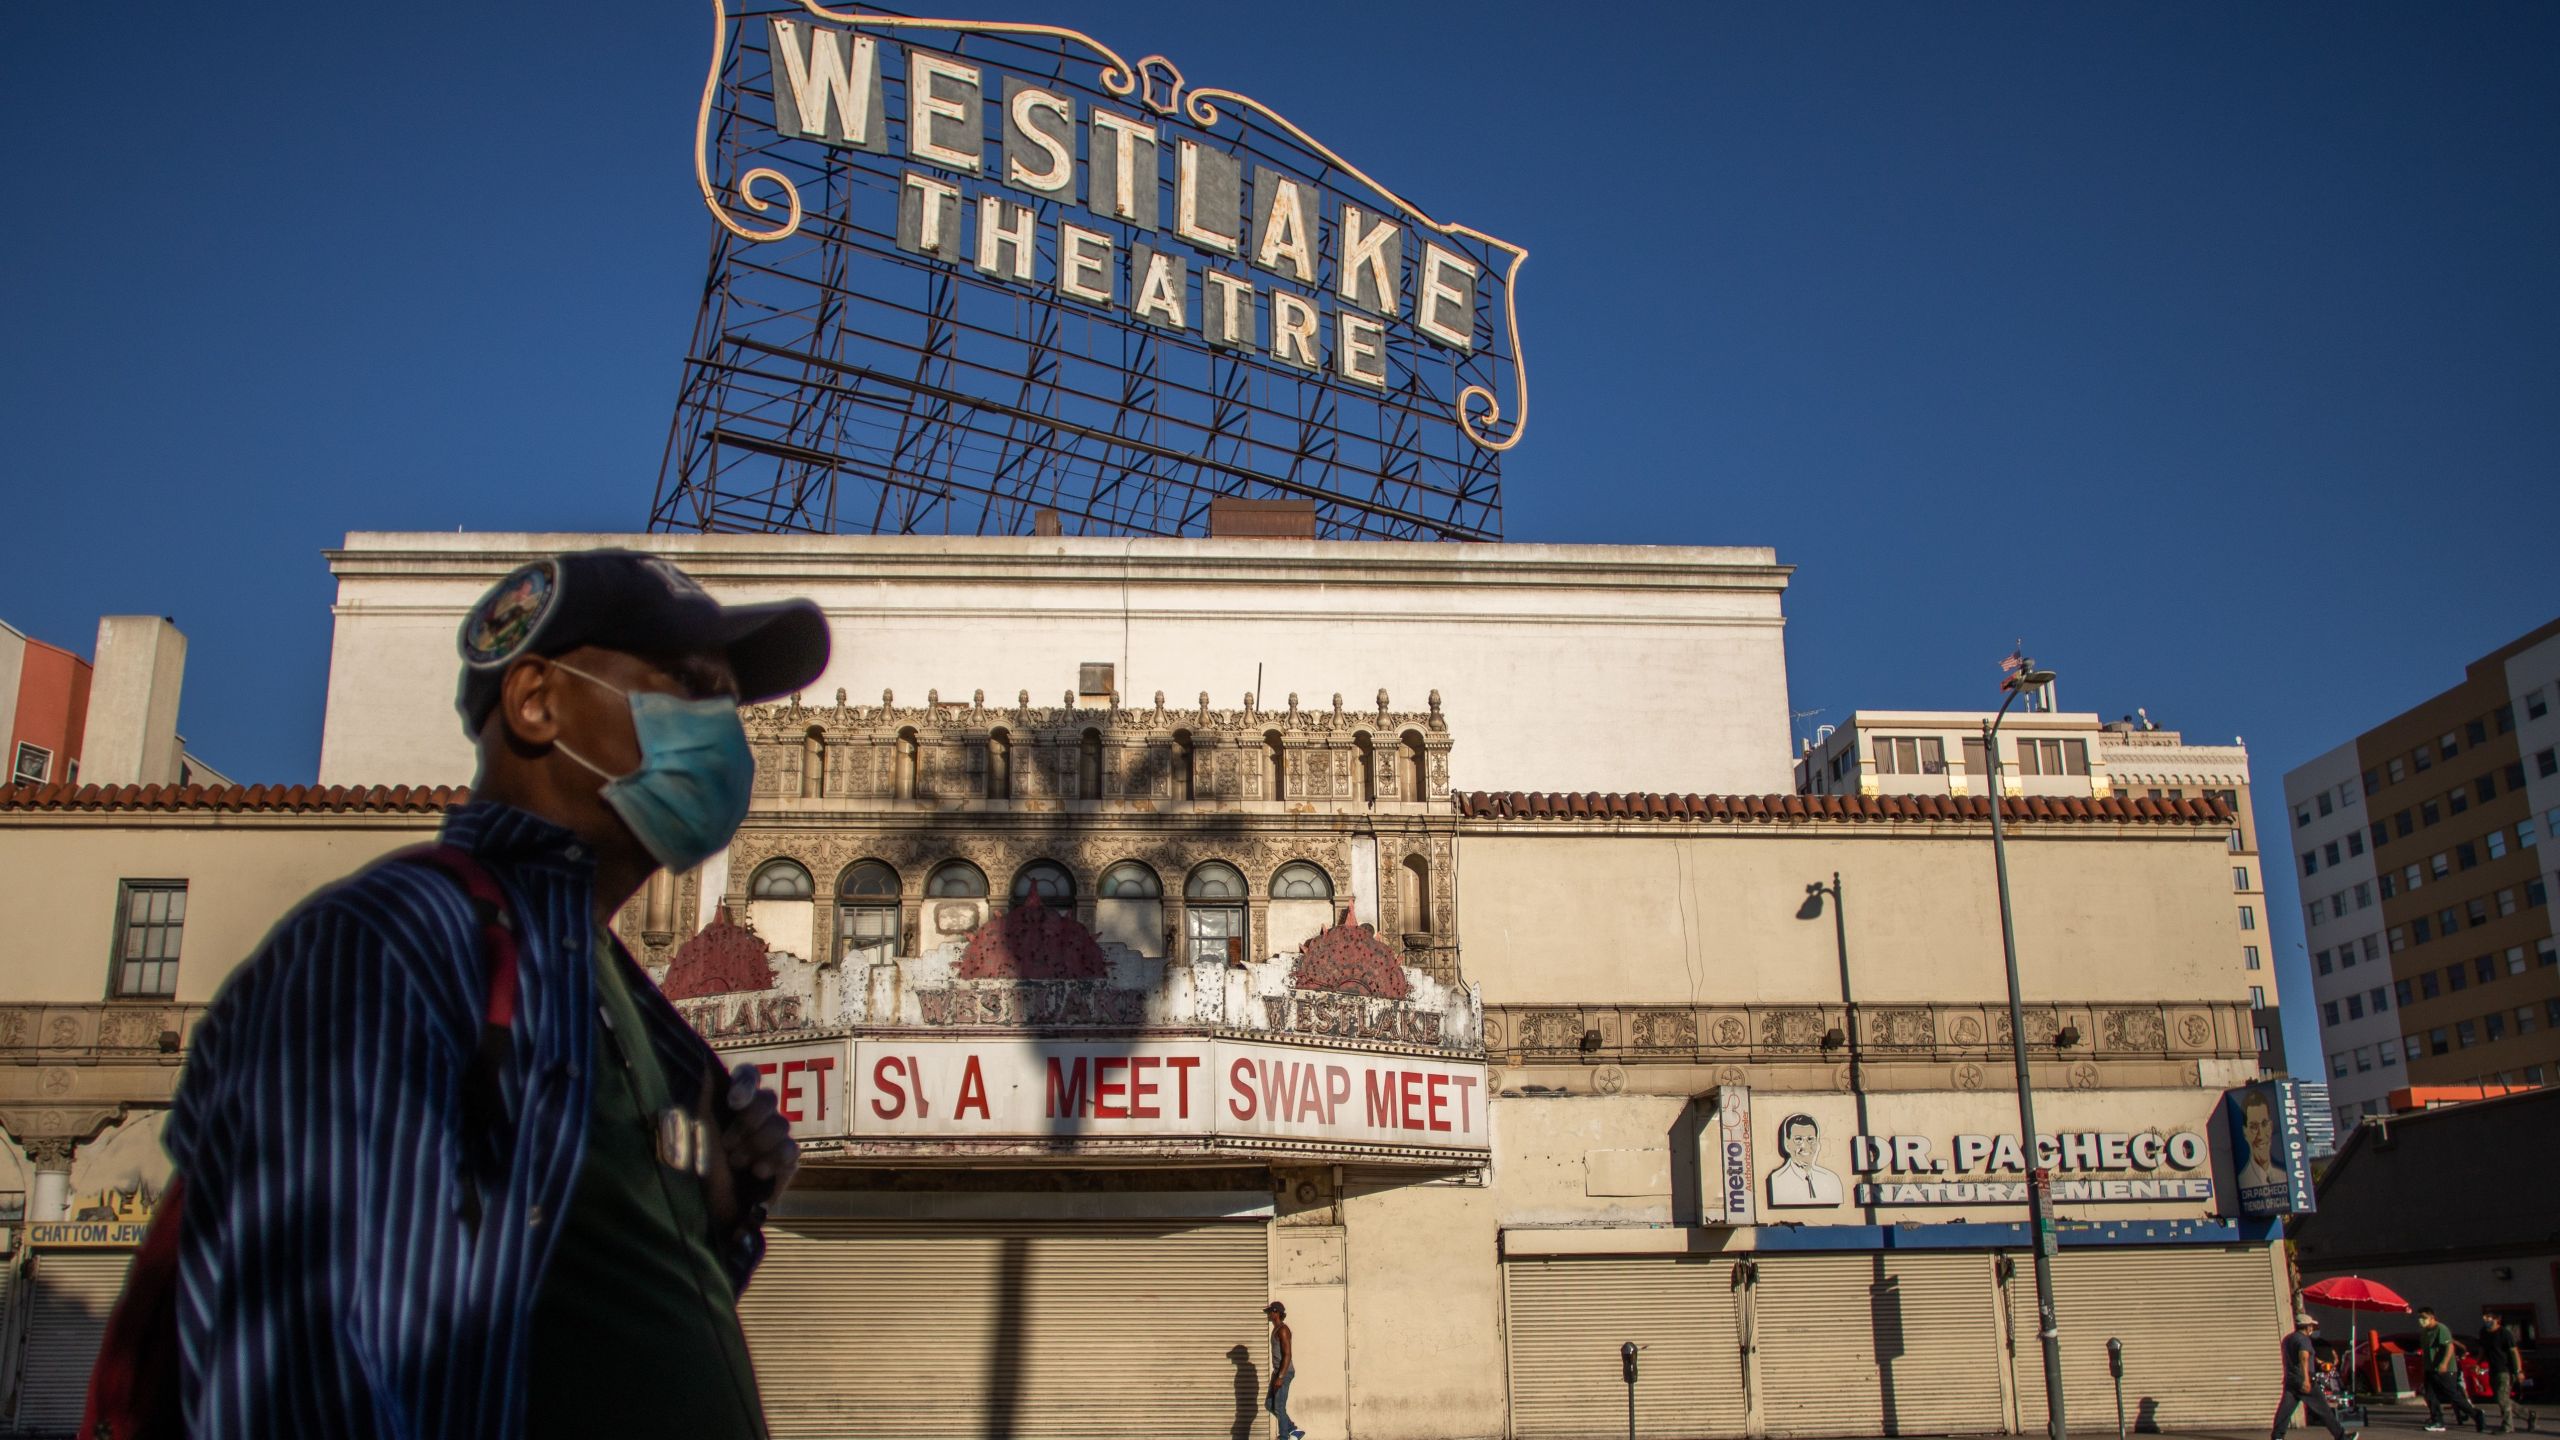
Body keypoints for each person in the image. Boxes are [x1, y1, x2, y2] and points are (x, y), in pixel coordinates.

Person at [163, 549, 829, 1438]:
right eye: (685, 687)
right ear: (536, 702)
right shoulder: (403, 936)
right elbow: (291, 1348)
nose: (722, 734)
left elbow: (576, 1313)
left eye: (727, 706)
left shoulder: (607, 984)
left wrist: (714, 1220)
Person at [2271, 1313, 2357, 1440]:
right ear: (2307, 1327)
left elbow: (2292, 1359)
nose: (2312, 1329)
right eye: (2311, 1326)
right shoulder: (2304, 1340)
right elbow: (2304, 1358)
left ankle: (2277, 1436)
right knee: (2324, 1411)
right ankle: (2342, 1437)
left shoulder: (2288, 1339)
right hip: (2305, 1380)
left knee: (2285, 1411)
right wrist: (2306, 1380)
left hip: (2291, 1380)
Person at [2417, 1304, 2487, 1433]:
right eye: (2420, 1318)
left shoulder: (2441, 1329)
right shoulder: (2425, 1332)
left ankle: (2476, 1414)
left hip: (2444, 1369)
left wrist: (2444, 1363)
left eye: (2424, 1317)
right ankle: (2437, 1420)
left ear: (2432, 1317)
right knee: (2430, 1396)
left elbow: (2449, 1347)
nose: (2421, 1320)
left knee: (2453, 1395)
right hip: (2430, 1368)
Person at [1764, 1113, 1844, 1206]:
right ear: (1787, 1143)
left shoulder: (1831, 1180)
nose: (1805, 1146)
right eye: (1798, 1139)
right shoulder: (1777, 1181)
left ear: (1817, 1143)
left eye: (1810, 1139)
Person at [1265, 1300, 1305, 1440]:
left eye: (1269, 1311)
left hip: (1285, 1372)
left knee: (1279, 1406)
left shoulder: (1283, 1330)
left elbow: (1288, 1355)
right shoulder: (1276, 1329)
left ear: (1276, 1312)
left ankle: (1284, 1437)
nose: (1267, 1314)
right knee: (1270, 1404)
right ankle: (1293, 1430)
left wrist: (1281, 1376)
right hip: (1278, 1372)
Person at [2479, 1310, 2522, 1434]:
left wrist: (2518, 1370)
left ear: (2497, 1319)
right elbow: (2483, 1349)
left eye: (2489, 1317)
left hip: (2505, 1369)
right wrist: (2478, 1363)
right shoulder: (2484, 1332)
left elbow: (2514, 1352)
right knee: (2500, 1398)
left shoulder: (2505, 1333)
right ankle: (2528, 1415)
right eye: (2485, 1317)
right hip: (2492, 1368)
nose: (2486, 1320)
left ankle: (2508, 1426)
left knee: (2502, 1398)